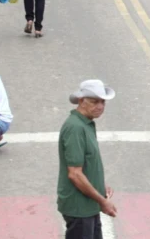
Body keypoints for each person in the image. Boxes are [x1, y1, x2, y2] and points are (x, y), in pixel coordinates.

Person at [58, 80, 117, 238]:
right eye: (94, 101)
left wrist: (100, 184)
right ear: (81, 101)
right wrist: (103, 201)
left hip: (88, 205)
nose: (100, 106)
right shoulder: (76, 128)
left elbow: (87, 162)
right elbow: (75, 174)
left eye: (102, 102)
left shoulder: (86, 124)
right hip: (79, 208)